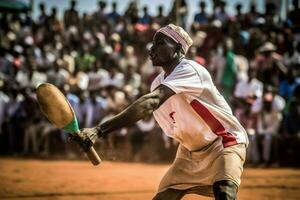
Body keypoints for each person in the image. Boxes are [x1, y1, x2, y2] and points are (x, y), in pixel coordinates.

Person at [71, 24, 248, 200]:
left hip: (223, 140)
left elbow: (151, 102)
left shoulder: (190, 69)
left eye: (160, 43)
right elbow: (169, 124)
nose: (152, 48)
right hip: (190, 151)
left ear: (178, 49)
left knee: (225, 192)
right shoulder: (156, 83)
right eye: (152, 44)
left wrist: (99, 130)